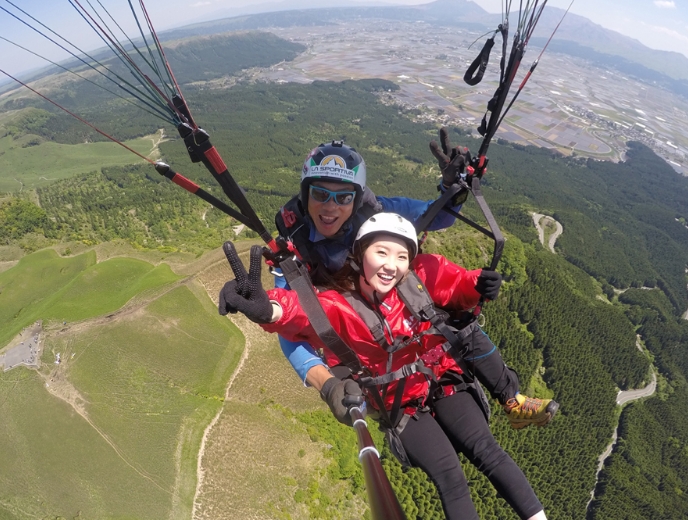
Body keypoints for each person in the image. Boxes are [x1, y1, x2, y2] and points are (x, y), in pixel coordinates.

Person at [218, 213, 549, 520]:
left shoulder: (416, 285)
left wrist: (478, 284)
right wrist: (268, 309)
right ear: (360, 256)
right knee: (451, 476)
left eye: (401, 256)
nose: (392, 265)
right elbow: (299, 311)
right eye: (381, 253)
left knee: (488, 451)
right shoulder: (340, 307)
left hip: (441, 380)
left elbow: (453, 282)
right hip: (399, 405)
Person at [273, 132, 556, 428]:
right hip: (353, 330)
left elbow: (435, 216)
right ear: (306, 195)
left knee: (458, 320)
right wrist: (327, 384)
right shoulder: (295, 245)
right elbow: (288, 327)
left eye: (343, 196)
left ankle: (512, 399)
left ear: (356, 199)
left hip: (391, 308)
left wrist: (452, 188)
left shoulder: (375, 212)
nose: (330, 206)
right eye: (320, 194)